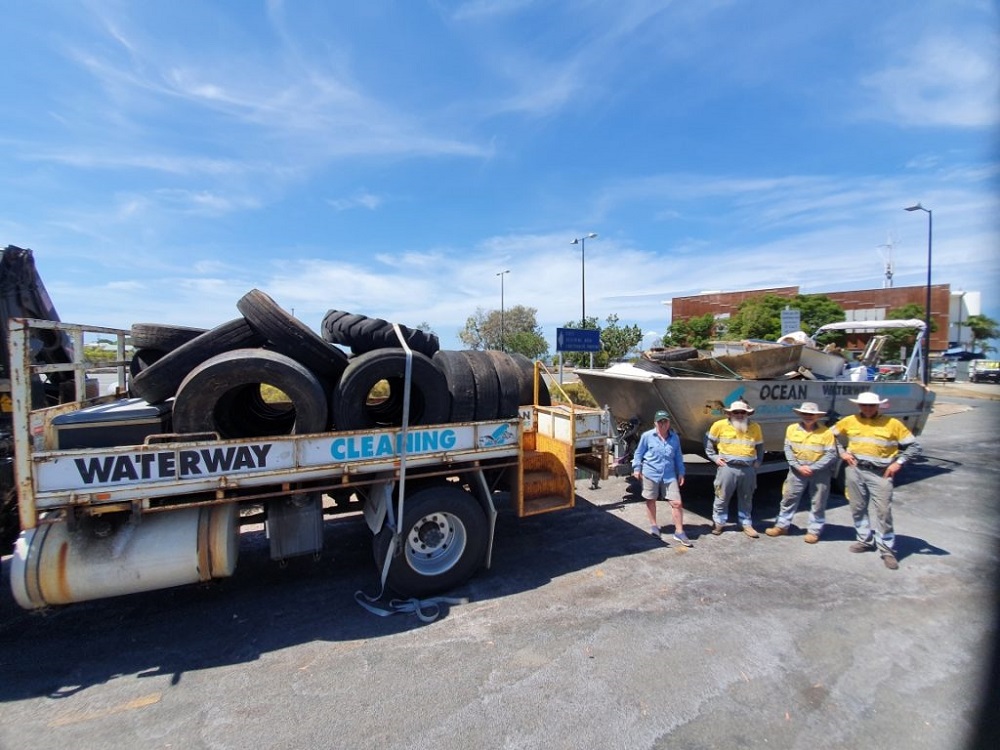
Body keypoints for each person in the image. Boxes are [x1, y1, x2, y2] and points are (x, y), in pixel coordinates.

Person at [831, 391, 920, 570]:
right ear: (859, 406)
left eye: (872, 405)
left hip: (881, 473)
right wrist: (842, 453)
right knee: (857, 507)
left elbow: (914, 446)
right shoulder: (849, 420)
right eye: (864, 405)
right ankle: (864, 539)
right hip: (855, 470)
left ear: (878, 406)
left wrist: (898, 463)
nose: (868, 408)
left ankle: (887, 550)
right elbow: (829, 436)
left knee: (883, 511)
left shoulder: (892, 423)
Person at [765, 402, 838, 543]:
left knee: (818, 501)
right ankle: (782, 526)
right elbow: (787, 449)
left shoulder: (826, 432)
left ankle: (814, 531)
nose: (808, 417)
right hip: (797, 470)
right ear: (800, 414)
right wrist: (797, 466)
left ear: (817, 416)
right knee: (788, 498)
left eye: (811, 414)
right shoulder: (792, 429)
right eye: (805, 414)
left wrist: (813, 467)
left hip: (820, 472)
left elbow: (831, 454)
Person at [631, 409, 692, 547]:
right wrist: (636, 468)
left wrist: (681, 472)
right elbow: (638, 453)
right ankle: (654, 526)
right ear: (655, 423)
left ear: (669, 422)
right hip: (650, 473)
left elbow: (678, 456)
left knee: (677, 502)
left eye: (665, 421)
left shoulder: (674, 437)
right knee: (650, 499)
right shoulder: (647, 436)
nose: (663, 424)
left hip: (669, 475)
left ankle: (679, 531)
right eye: (660, 422)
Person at [705, 400, 763, 537]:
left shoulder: (755, 427)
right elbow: (709, 443)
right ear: (730, 414)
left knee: (746, 497)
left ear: (747, 413)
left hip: (748, 469)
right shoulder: (719, 425)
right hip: (727, 468)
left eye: (743, 412)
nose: (739, 415)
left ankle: (746, 524)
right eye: (736, 412)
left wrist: (759, 461)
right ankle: (719, 523)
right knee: (722, 496)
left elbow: (760, 446)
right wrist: (714, 458)